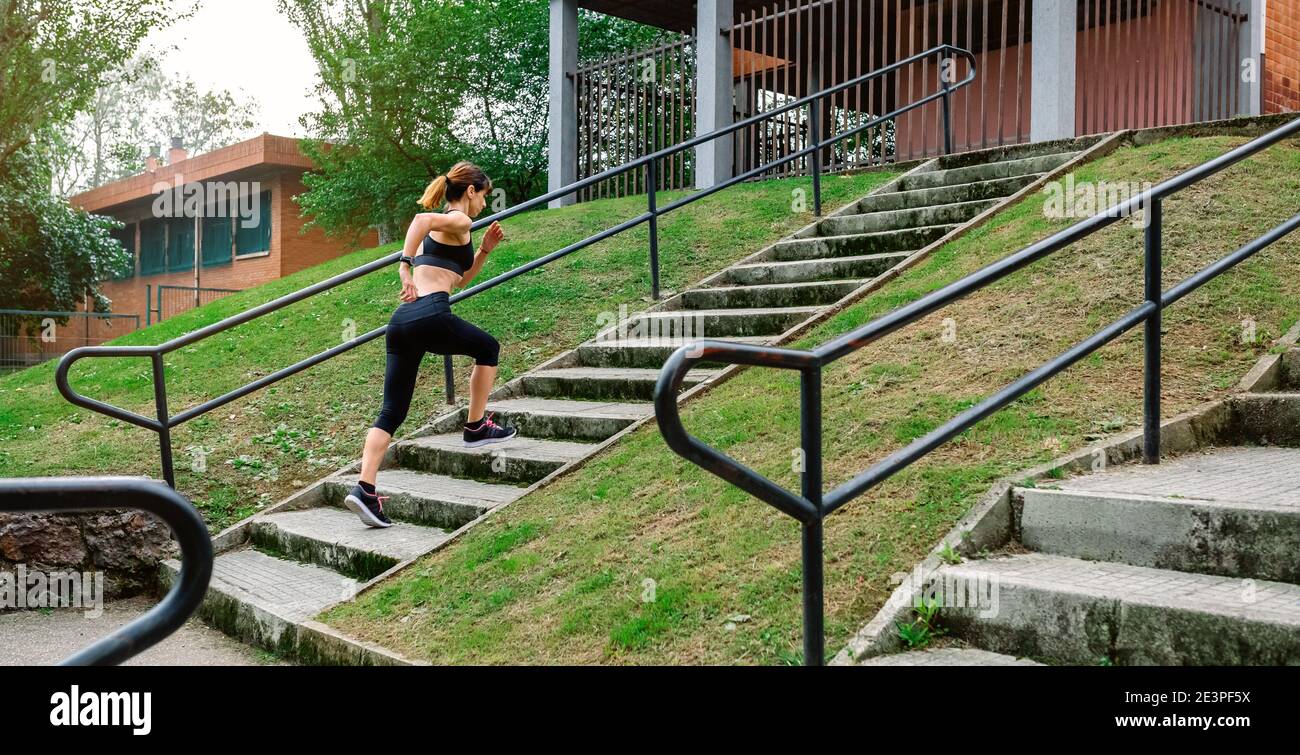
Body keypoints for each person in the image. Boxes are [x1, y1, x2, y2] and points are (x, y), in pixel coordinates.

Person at [344, 161, 517, 528]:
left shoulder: (455, 233)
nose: (485, 205)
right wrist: (403, 266)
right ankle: (475, 427)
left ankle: (365, 489)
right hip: (430, 314)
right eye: (484, 196)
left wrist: (484, 250)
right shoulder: (459, 220)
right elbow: (420, 220)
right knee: (488, 348)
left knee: (391, 412)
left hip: (402, 322)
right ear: (470, 191)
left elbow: (457, 278)